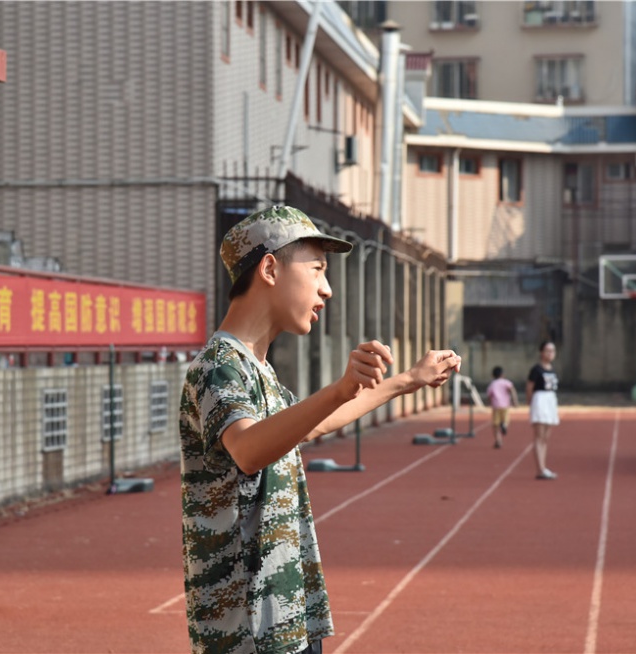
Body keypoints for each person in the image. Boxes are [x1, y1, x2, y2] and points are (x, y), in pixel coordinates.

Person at [179, 204, 462, 654]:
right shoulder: (218, 367)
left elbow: (313, 424)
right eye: (317, 269)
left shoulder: (257, 368)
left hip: (285, 614)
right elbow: (248, 449)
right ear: (270, 269)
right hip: (244, 626)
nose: (326, 289)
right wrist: (341, 387)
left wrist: (408, 380)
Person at [526, 341, 559, 480]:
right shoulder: (536, 369)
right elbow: (529, 387)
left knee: (546, 437)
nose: (550, 353)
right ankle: (540, 468)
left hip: (550, 400)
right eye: (547, 350)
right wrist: (531, 403)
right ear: (541, 352)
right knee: (539, 436)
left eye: (553, 350)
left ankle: (543, 467)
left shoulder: (552, 369)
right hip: (540, 400)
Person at [485, 365, 519, 449]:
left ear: (493, 375)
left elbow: (489, 395)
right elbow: (512, 390)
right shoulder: (506, 382)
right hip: (505, 405)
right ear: (502, 374)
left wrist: (489, 402)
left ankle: (498, 441)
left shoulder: (492, 384)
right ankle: (504, 425)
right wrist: (514, 400)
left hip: (496, 406)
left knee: (495, 425)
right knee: (506, 420)